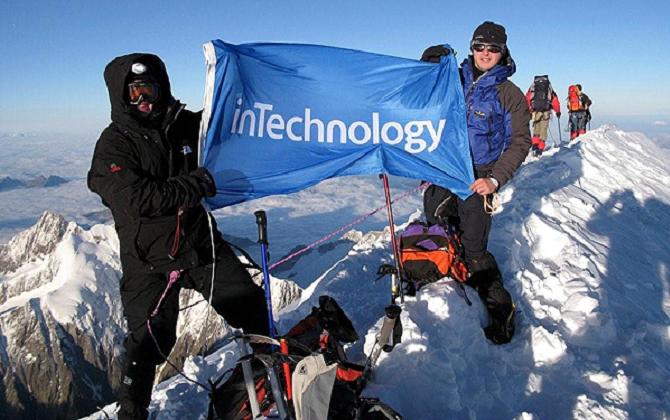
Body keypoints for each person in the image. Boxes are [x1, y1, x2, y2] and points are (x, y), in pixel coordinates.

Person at [87, 53, 269, 420]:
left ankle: (267, 378)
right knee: (147, 344)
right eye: (135, 92)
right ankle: (132, 412)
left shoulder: (183, 125)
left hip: (200, 245)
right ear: (121, 97)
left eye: (149, 89)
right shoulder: (113, 145)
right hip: (148, 262)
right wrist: (193, 186)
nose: (144, 100)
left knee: (249, 307)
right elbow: (135, 199)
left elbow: (224, 128)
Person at [420, 21, 531, 344]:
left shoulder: (508, 94)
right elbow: (423, 93)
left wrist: (494, 180)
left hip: (479, 178)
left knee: (474, 249)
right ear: (471, 48)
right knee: (436, 230)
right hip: (445, 171)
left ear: (502, 52)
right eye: (480, 46)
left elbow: (520, 142)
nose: (486, 53)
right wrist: (430, 61)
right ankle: (447, 285)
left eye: (493, 49)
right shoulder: (453, 80)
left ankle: (501, 311)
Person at [526, 75, 561, 155]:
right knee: (543, 130)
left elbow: (527, 98)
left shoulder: (533, 88)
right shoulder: (548, 88)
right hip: (546, 112)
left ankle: (535, 145)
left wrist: (529, 110)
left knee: (536, 128)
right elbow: (554, 100)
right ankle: (540, 149)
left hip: (536, 111)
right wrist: (557, 111)